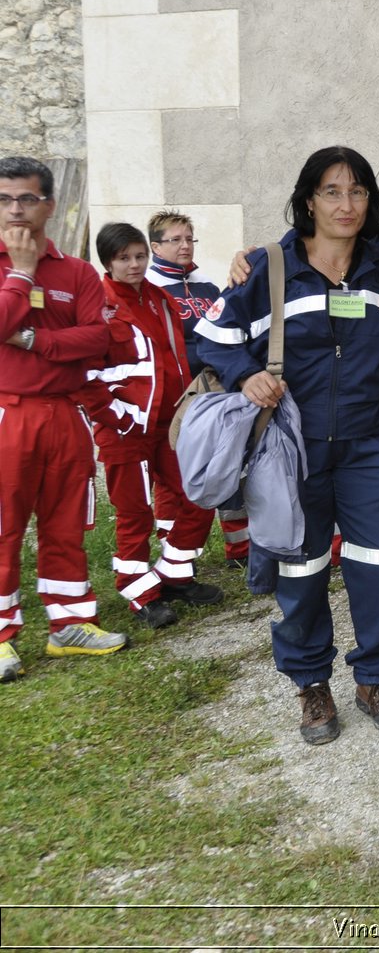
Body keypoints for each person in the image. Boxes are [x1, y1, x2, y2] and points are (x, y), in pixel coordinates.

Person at [197, 146, 379, 744]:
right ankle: (311, 684)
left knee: (378, 567)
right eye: (331, 192)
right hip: (294, 448)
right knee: (302, 568)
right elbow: (210, 336)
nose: (346, 205)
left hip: (371, 444)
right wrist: (245, 374)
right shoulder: (269, 268)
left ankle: (375, 677)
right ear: (308, 200)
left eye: (358, 192)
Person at [0, 155, 123, 682]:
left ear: (49, 204)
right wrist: (20, 273)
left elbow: (100, 338)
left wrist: (33, 339)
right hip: (8, 411)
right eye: (5, 199)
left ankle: (69, 623)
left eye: (27, 198)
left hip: (65, 414)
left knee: (64, 522)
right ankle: (2, 637)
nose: (16, 211)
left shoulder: (75, 271)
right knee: (3, 525)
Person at [81, 223, 224, 630]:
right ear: (108, 261)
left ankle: (174, 574)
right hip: (125, 428)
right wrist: (120, 417)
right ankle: (137, 590)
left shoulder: (160, 298)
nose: (134, 264)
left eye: (139, 256)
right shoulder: (98, 304)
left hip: (171, 422)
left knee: (198, 492)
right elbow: (86, 374)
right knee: (134, 514)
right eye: (124, 258)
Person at [144, 210, 253, 571]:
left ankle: (240, 548)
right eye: (175, 240)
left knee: (229, 464)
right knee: (176, 475)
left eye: (189, 239)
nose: (185, 246)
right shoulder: (150, 288)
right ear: (156, 246)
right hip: (174, 397)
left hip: (213, 392)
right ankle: (172, 549)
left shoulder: (206, 287)